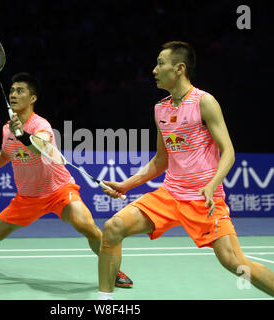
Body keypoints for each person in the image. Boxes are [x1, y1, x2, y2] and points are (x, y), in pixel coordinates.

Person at [97, 41, 274, 300]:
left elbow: (229, 152)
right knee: (113, 228)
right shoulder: (160, 108)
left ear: (179, 68)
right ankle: (105, 301)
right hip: (170, 194)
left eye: (160, 63)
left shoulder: (204, 102)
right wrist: (126, 185)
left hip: (203, 199)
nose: (154, 70)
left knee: (234, 262)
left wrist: (212, 185)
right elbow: (161, 160)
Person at [0, 72, 132, 288]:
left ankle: (112, 269)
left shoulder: (41, 125)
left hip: (58, 190)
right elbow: (5, 155)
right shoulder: (6, 129)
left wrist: (22, 134)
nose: (13, 94)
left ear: (33, 98)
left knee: (87, 226)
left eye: (20, 91)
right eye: (12, 90)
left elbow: (41, 146)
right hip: (27, 197)